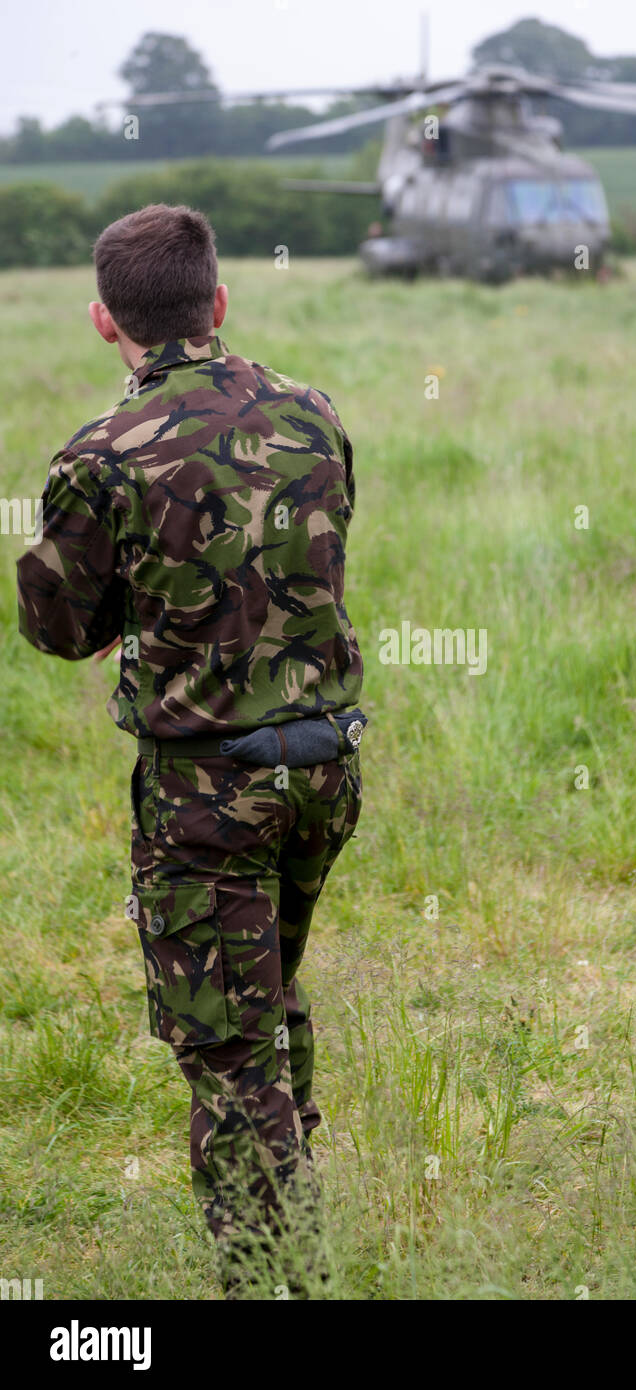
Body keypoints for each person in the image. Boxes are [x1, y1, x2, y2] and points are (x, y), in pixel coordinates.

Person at [16, 202, 364, 1294]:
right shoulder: (311, 413)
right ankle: (296, 1204)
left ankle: (270, 1276)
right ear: (218, 302)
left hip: (208, 792)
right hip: (324, 772)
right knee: (269, 995)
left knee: (225, 1054)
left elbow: (62, 630)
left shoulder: (98, 455)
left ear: (102, 321)